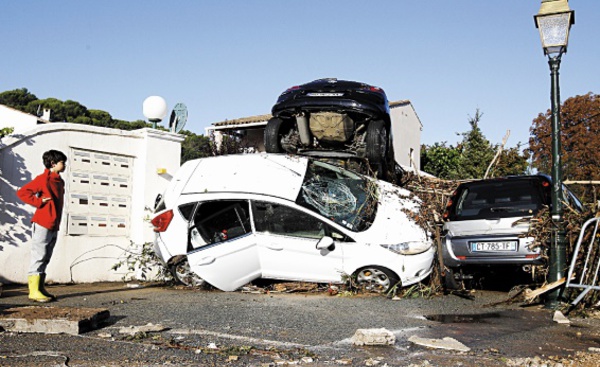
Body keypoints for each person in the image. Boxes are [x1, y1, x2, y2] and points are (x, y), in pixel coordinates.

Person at [16, 149, 67, 303]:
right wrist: (39, 202)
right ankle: (33, 291)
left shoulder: (59, 181)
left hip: (54, 223)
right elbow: (23, 192)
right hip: (42, 222)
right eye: (62, 162)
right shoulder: (43, 179)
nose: (64, 165)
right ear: (53, 163)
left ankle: (40, 287)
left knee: (46, 256)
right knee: (39, 256)